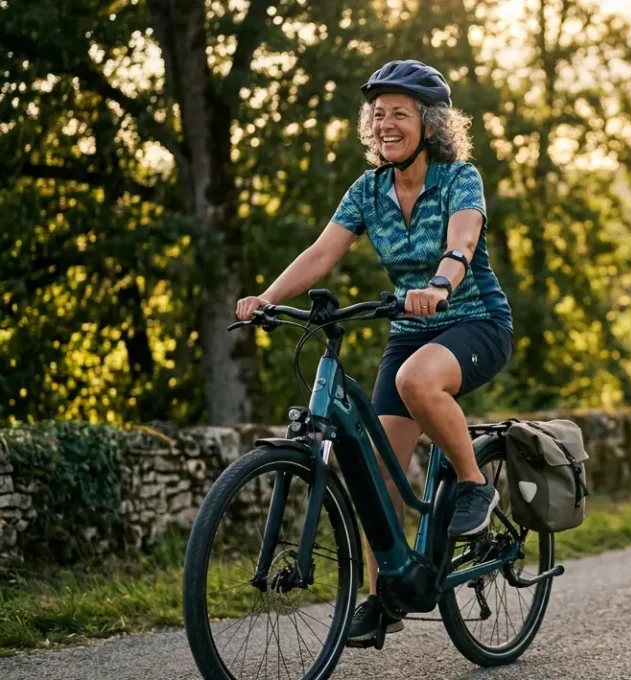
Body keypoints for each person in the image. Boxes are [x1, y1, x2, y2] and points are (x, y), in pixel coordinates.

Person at [234, 59, 513, 645]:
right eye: (378, 114)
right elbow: (320, 253)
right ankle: (385, 593)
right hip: (409, 330)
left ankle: (472, 484)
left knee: (418, 381)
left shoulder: (458, 177)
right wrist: (267, 296)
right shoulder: (369, 190)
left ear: (429, 124)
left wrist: (439, 285)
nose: (386, 124)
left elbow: (462, 240)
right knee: (376, 474)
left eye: (400, 114)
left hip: (475, 321)